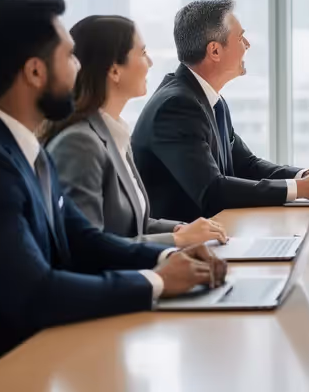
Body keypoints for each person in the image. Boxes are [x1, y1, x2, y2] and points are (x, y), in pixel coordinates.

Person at [0, 0, 225, 363]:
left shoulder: (20, 146)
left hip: (17, 353)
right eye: (69, 57)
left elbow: (83, 240)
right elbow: (36, 294)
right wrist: (157, 282)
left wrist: (170, 255)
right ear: (35, 72)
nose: (80, 68)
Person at [132, 0, 309, 221]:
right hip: (183, 245)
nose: (247, 44)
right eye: (240, 37)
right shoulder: (176, 106)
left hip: (215, 231)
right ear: (215, 50)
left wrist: (304, 176)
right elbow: (213, 190)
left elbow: (246, 164)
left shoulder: (209, 100)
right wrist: (300, 189)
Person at [44, 15, 226, 246]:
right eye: (142, 53)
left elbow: (131, 225)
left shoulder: (114, 133)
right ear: (114, 71)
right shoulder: (80, 144)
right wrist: (176, 240)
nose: (150, 62)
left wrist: (181, 228)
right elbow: (87, 246)